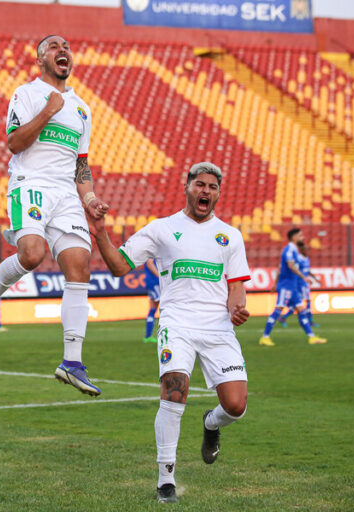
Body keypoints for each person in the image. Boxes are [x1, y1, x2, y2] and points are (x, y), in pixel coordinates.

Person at [87, 162, 251, 504]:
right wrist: (100, 232)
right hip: (176, 324)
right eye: (200, 184)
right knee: (175, 392)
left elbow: (236, 287)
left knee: (235, 406)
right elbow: (119, 266)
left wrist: (237, 308)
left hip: (217, 328)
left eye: (212, 187)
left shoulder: (230, 236)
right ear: (187, 187)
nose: (206, 191)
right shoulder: (161, 230)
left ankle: (211, 424)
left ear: (218, 194)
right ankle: (166, 479)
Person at [0, 34, 109, 397]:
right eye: (55, 47)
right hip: (30, 184)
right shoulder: (25, 94)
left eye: (68, 48)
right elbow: (14, 143)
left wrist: (89, 199)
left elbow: (82, 165)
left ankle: (72, 362)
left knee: (80, 266)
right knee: (32, 254)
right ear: (41, 58)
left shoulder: (82, 108)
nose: (64, 51)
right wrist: (47, 112)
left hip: (66, 194)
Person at [259, 228, 326, 346]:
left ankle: (311, 337)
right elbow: (290, 266)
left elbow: (281, 268)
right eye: (300, 236)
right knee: (278, 309)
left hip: (292, 287)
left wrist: (275, 284)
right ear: (294, 237)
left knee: (301, 310)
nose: (303, 238)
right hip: (286, 286)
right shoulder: (289, 250)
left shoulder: (294, 251)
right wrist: (303, 277)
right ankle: (265, 337)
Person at [277, 243, 318, 328]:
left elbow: (307, 270)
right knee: (307, 301)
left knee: (297, 304)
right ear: (302, 250)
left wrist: (315, 279)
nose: (307, 251)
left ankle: (283, 317)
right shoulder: (298, 258)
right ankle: (309, 320)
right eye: (306, 249)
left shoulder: (307, 259)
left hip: (304, 283)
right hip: (300, 283)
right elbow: (293, 268)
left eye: (308, 250)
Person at [143, 258, 160, 343]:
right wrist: (159, 275)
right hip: (155, 282)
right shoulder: (154, 247)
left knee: (153, 309)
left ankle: (148, 336)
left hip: (150, 281)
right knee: (164, 307)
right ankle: (165, 334)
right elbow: (149, 263)